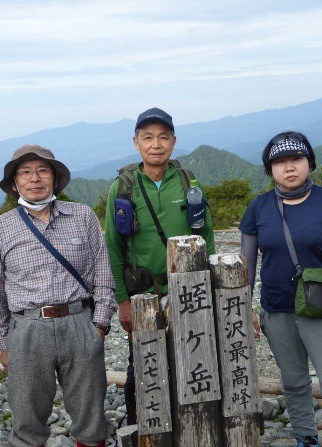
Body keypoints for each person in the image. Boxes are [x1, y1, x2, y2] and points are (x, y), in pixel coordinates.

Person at [0, 145, 117, 447]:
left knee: (91, 415)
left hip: (80, 322)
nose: (35, 178)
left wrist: (99, 326)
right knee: (28, 418)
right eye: (26, 172)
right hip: (26, 330)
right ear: (15, 182)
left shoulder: (82, 216)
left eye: (43, 170)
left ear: (55, 179)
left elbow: (104, 274)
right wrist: (5, 343)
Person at [239, 131, 322, 447]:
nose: (289, 167)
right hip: (276, 309)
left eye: (296, 159)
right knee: (293, 382)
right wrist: (245, 307)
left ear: (310, 163)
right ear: (270, 169)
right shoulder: (259, 208)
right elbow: (246, 266)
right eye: (279, 162)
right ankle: (306, 437)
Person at [103, 107, 216, 424]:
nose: (156, 144)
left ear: (174, 141)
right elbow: (113, 246)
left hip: (188, 288)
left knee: (190, 358)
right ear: (136, 142)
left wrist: (212, 287)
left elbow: (205, 235)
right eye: (148, 137)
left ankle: (187, 427)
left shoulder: (187, 181)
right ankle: (142, 429)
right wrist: (123, 301)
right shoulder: (122, 188)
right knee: (143, 365)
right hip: (143, 297)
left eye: (163, 137)